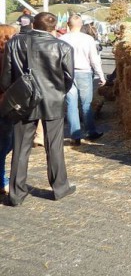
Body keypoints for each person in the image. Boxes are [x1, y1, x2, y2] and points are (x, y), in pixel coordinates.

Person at [1, 12, 76, 206]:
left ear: (33, 23)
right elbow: (68, 78)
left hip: (23, 100)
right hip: (53, 100)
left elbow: (5, 78)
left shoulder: (15, 43)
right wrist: (58, 93)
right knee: (54, 146)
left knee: (21, 148)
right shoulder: (63, 47)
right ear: (54, 26)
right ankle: (60, 188)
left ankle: (16, 194)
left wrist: (14, 94)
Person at [61, 14, 107, 144]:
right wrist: (101, 75)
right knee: (86, 104)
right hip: (84, 72)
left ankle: (75, 135)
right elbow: (94, 59)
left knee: (71, 104)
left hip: (67, 73)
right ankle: (90, 131)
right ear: (81, 25)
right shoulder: (87, 39)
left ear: (68, 25)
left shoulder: (62, 39)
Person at [0, 24, 17, 196]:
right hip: (4, 104)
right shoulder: (6, 57)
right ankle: (1, 180)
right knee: (6, 143)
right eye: (13, 35)